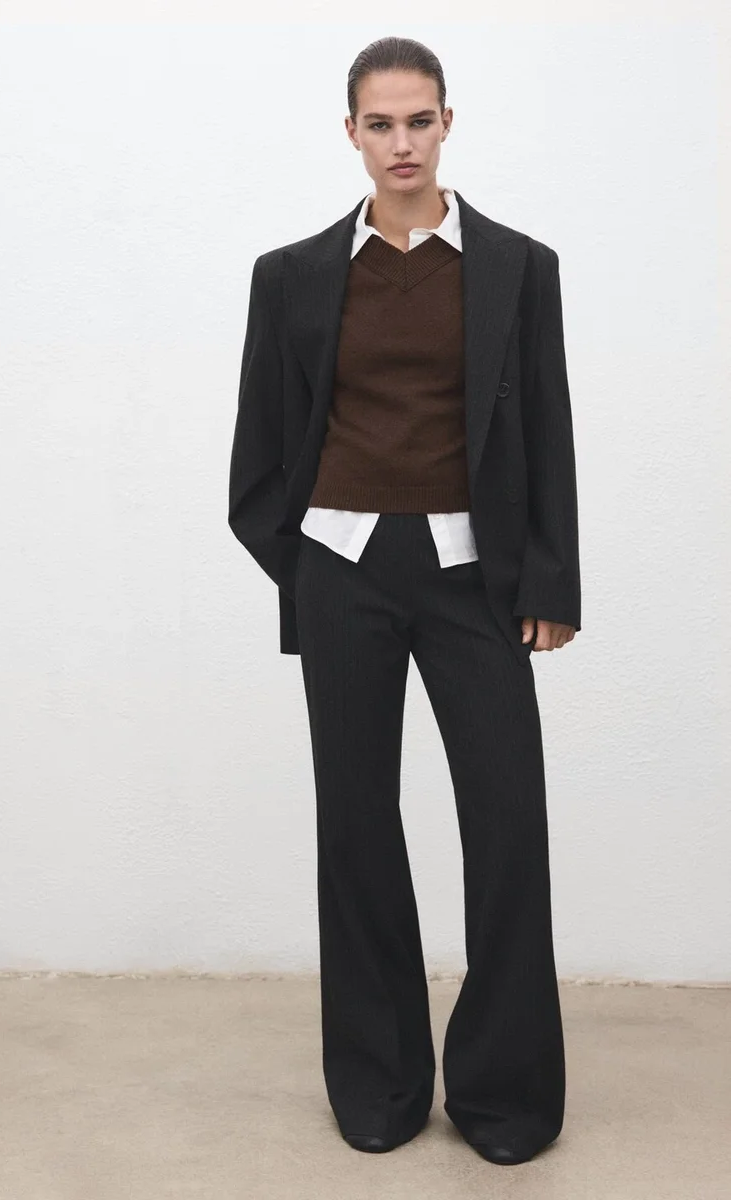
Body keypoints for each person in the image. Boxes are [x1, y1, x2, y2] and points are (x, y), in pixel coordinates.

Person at [227, 35, 581, 1168]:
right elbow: (260, 454)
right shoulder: (291, 275)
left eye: (418, 121)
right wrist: (304, 567)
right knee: (357, 826)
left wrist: (550, 580)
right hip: (345, 574)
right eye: (379, 125)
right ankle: (379, 1082)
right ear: (351, 134)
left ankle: (504, 1091)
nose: (401, 144)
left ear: (446, 124)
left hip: (476, 577)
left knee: (507, 821)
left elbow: (548, 428)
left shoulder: (517, 266)